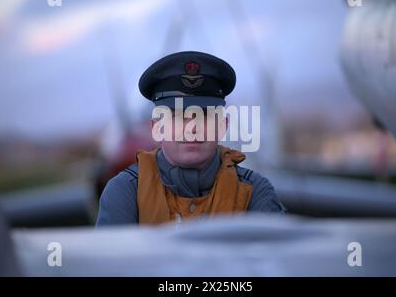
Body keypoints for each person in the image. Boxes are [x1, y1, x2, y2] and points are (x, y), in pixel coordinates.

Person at [96, 51, 285, 226]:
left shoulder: (255, 194)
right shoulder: (124, 193)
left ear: (222, 126)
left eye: (204, 115)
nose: (192, 128)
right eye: (178, 116)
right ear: (157, 127)